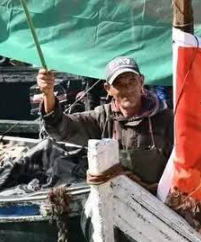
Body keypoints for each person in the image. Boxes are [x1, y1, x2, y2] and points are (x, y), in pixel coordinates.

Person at [37, 57, 173, 185]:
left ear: (141, 81)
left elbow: (182, 168)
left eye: (132, 81)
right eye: (119, 83)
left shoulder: (167, 119)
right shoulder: (102, 117)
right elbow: (61, 129)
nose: (128, 88)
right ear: (108, 89)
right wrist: (48, 94)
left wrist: (148, 187)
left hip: (160, 198)